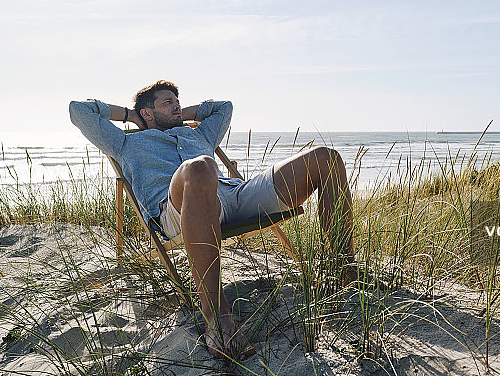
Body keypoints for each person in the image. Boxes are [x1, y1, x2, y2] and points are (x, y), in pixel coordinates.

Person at [69, 80, 357, 360]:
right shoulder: (123, 143)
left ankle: (344, 268)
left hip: (232, 195)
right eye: (168, 103)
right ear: (147, 112)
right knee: (200, 167)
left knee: (325, 157)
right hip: (177, 209)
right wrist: (131, 116)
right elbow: (78, 110)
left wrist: (182, 115)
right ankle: (217, 316)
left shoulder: (200, 135)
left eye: (178, 102)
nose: (177, 107)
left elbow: (224, 107)